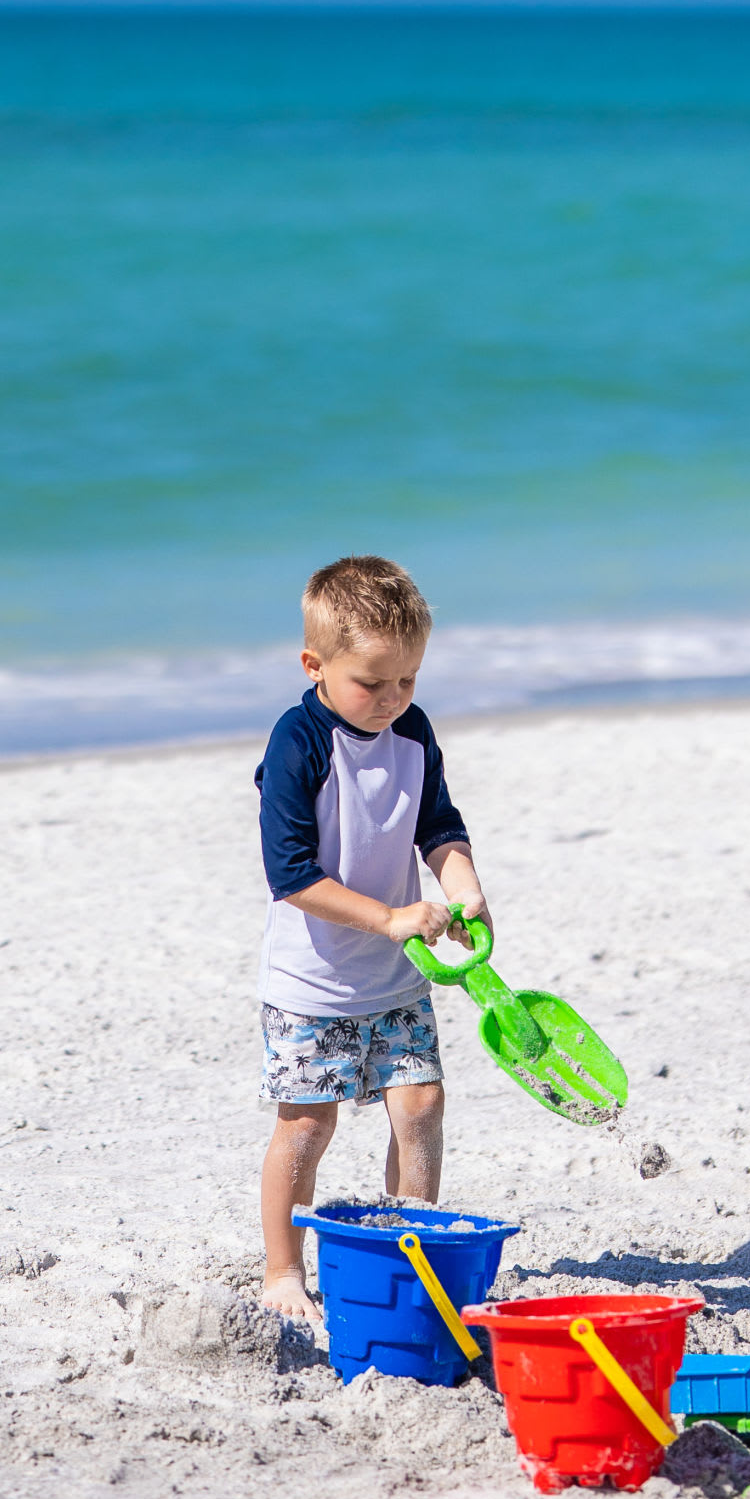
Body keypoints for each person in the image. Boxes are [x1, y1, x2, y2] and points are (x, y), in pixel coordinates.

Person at [253, 555, 489, 1323]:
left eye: (408, 681)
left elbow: (438, 827)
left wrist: (461, 885)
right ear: (315, 665)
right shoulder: (299, 743)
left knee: (420, 1106)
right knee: (307, 1125)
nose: (392, 700)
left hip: (397, 977)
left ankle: (406, 1248)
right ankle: (282, 1269)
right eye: (372, 683)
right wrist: (389, 917)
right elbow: (290, 875)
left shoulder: (412, 734)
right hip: (311, 985)